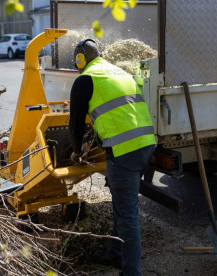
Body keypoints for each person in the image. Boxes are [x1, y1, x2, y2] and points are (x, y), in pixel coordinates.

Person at [68, 39, 156, 276]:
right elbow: (119, 113)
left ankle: (131, 272)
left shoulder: (85, 79)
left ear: (80, 59)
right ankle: (115, 253)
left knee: (127, 214)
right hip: (146, 144)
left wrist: (77, 152)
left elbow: (75, 125)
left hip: (125, 152)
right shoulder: (120, 72)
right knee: (121, 204)